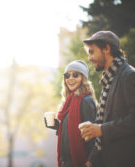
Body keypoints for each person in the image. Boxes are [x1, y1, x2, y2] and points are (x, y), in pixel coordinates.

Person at [80, 30, 135, 167]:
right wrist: (92, 159)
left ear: (106, 48)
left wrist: (101, 129)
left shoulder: (129, 76)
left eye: (92, 52)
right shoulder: (109, 80)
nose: (89, 58)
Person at [45, 60, 97, 167]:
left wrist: (90, 161)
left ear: (83, 78)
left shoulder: (86, 100)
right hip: (66, 162)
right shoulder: (69, 101)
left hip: (80, 162)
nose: (70, 78)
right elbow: (72, 129)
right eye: (67, 75)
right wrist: (57, 126)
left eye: (75, 74)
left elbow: (93, 135)